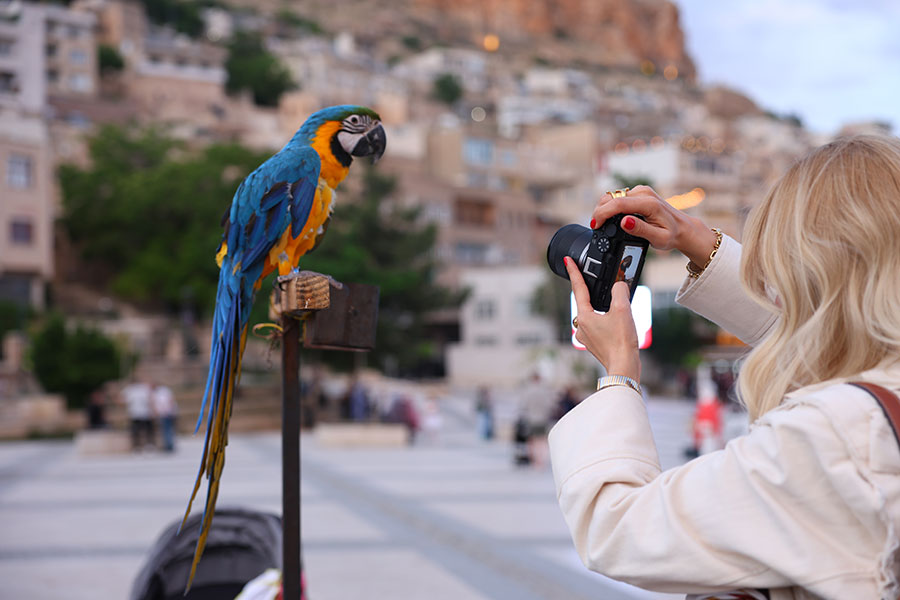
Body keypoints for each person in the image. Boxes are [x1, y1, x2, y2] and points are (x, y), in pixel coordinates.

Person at [549, 135, 900, 599]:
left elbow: (619, 530)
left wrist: (619, 370)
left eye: (779, 267)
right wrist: (692, 238)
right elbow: (820, 336)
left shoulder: (837, 437)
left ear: (812, 270)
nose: (773, 282)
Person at [122, 376, 154, 451]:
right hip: (142, 412)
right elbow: (150, 399)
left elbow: (122, 399)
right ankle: (147, 445)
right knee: (145, 430)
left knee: (138, 431)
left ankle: (138, 446)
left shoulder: (130, 389)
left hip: (137, 413)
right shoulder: (142, 388)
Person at [151, 381, 178, 452]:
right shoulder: (158, 392)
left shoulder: (163, 391)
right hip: (164, 413)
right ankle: (168, 444)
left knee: (167, 429)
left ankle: (169, 445)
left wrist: (169, 410)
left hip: (167, 413)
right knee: (166, 429)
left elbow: (170, 401)